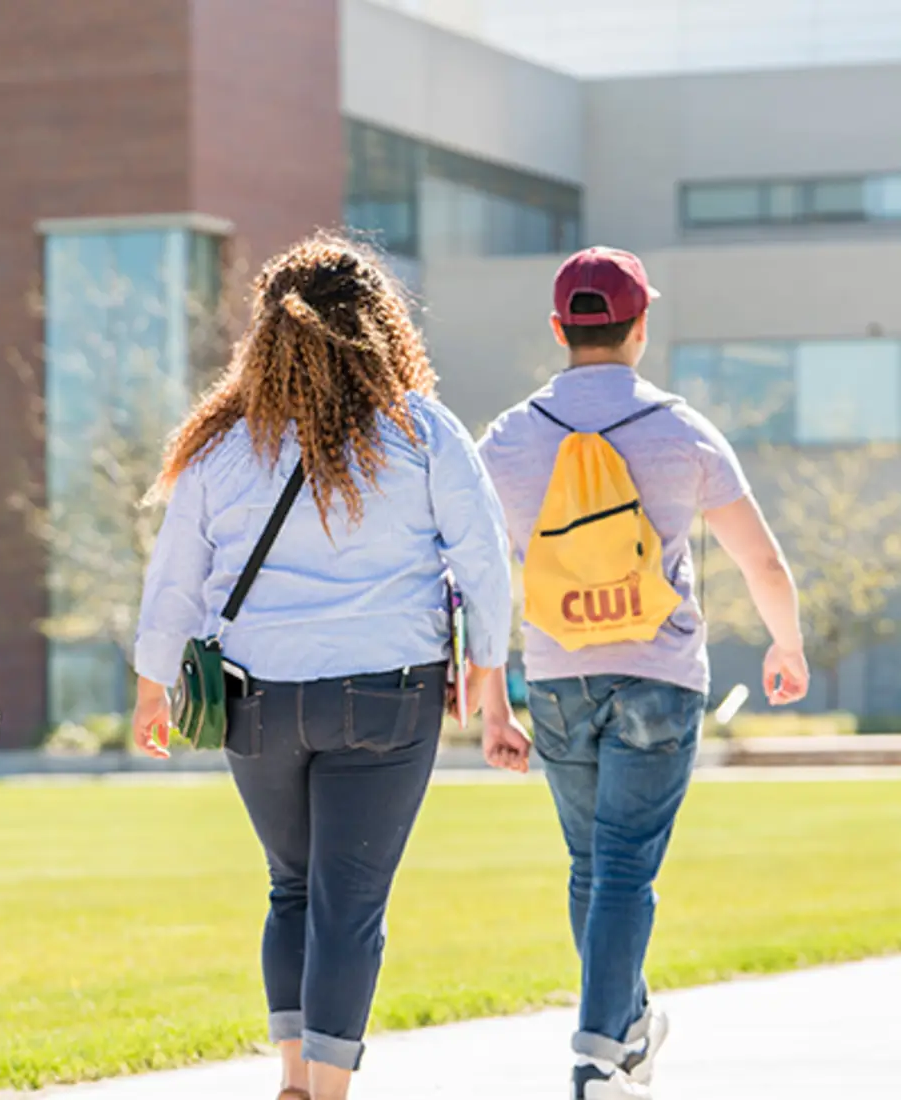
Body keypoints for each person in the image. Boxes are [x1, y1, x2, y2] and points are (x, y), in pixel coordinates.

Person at [133, 234, 515, 1100]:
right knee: (351, 905)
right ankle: (325, 1096)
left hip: (258, 705)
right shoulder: (420, 428)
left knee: (292, 887)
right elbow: (485, 562)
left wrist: (152, 685)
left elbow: (174, 579)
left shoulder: (220, 445)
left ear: (262, 337)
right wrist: (489, 680)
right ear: (381, 328)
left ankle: (296, 1082)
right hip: (390, 696)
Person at [476, 247, 809, 1100]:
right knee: (623, 868)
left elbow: (469, 577)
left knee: (592, 868)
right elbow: (760, 560)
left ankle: (625, 1032)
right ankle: (599, 1050)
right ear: (640, 328)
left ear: (559, 329)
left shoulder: (507, 439)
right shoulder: (682, 428)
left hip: (555, 677)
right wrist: (787, 643)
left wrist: (487, 698)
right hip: (659, 674)